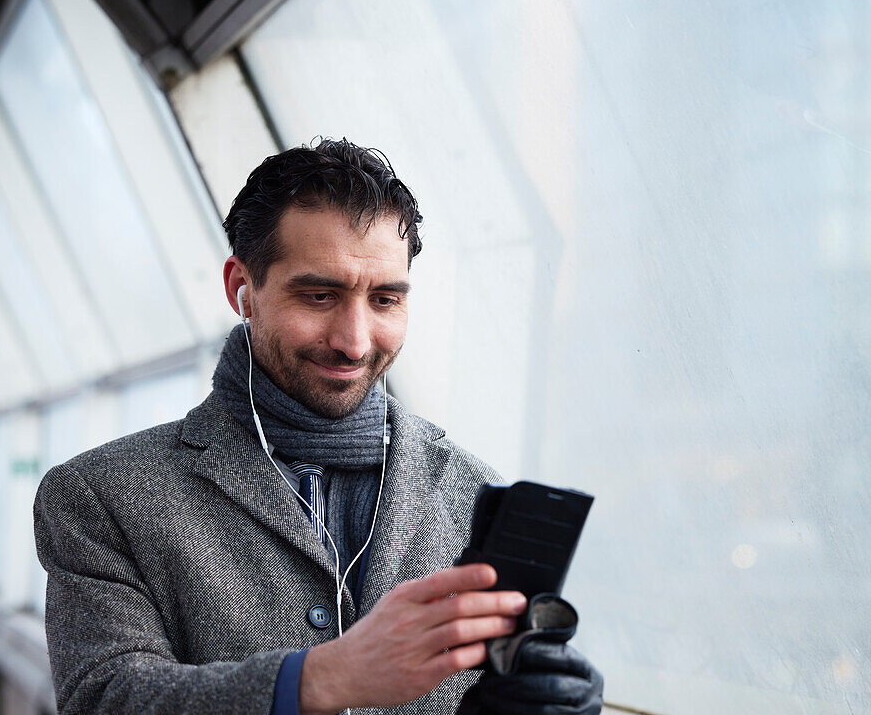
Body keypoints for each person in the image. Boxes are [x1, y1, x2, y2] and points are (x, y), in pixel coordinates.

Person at [33, 138, 602, 714]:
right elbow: (105, 699)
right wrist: (324, 678)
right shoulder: (100, 496)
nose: (354, 342)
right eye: (320, 295)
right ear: (242, 291)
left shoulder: (476, 498)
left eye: (384, 300)